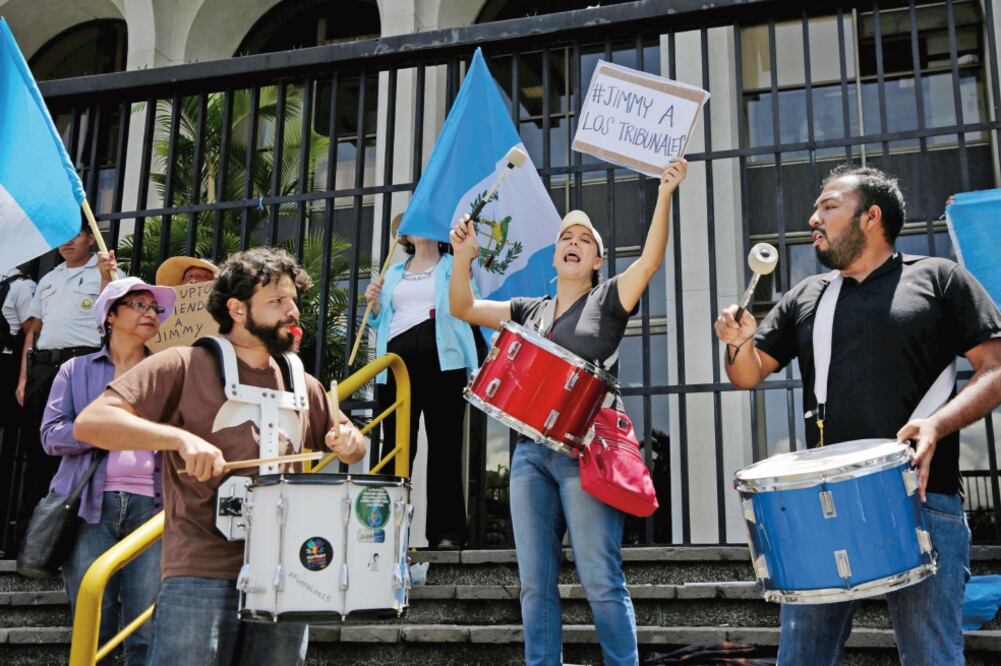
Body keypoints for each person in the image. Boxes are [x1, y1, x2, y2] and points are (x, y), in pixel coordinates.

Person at [713, 165, 1001, 666]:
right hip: (820, 506)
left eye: (828, 206)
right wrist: (736, 344)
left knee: (931, 656)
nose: (813, 218)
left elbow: (994, 368)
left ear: (871, 216)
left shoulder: (939, 278)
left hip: (923, 498)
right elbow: (747, 374)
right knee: (802, 658)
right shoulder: (807, 295)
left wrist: (935, 425)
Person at [73, 248, 367, 666]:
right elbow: (91, 422)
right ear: (237, 308)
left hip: (288, 570)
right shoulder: (184, 363)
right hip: (201, 569)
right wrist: (179, 440)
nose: (293, 311)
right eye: (277, 302)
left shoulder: (303, 381)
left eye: (293, 301)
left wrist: (350, 442)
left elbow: (349, 439)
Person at [449, 159, 688, 666]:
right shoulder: (527, 308)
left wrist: (665, 192)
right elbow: (464, 307)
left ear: (598, 259)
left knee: (600, 578)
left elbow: (649, 261)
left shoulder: (609, 299)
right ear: (555, 255)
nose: (572, 242)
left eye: (584, 238)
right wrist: (462, 257)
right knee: (536, 585)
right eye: (565, 238)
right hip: (529, 457)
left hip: (587, 454)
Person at [42, 277, 176, 665]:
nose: (150, 313)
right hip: (88, 507)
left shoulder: (167, 372)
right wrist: (102, 431)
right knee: (92, 622)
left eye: (154, 308)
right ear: (110, 317)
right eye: (138, 305)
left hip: (153, 510)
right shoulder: (75, 370)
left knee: (144, 628)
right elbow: (51, 436)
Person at [364, 227, 478, 549]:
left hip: (445, 363)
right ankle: (381, 530)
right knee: (396, 449)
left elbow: (467, 304)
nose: (420, 228)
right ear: (407, 237)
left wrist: (465, 263)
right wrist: (373, 305)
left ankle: (446, 533)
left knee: (445, 447)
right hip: (397, 367)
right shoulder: (394, 272)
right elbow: (381, 320)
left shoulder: (452, 265)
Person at [15, 221, 116, 539]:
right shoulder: (48, 279)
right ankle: (34, 539)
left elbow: (111, 313)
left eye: (74, 236)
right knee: (38, 447)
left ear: (90, 238)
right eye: (61, 237)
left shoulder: (108, 273)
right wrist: (23, 378)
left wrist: (104, 275)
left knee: (80, 447)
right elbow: (34, 331)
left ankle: (74, 536)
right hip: (43, 370)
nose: (66, 243)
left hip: (83, 365)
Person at [0, 265, 36, 555]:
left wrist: (23, 379)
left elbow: (32, 334)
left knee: (6, 456)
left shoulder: (21, 286)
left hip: (6, 375)